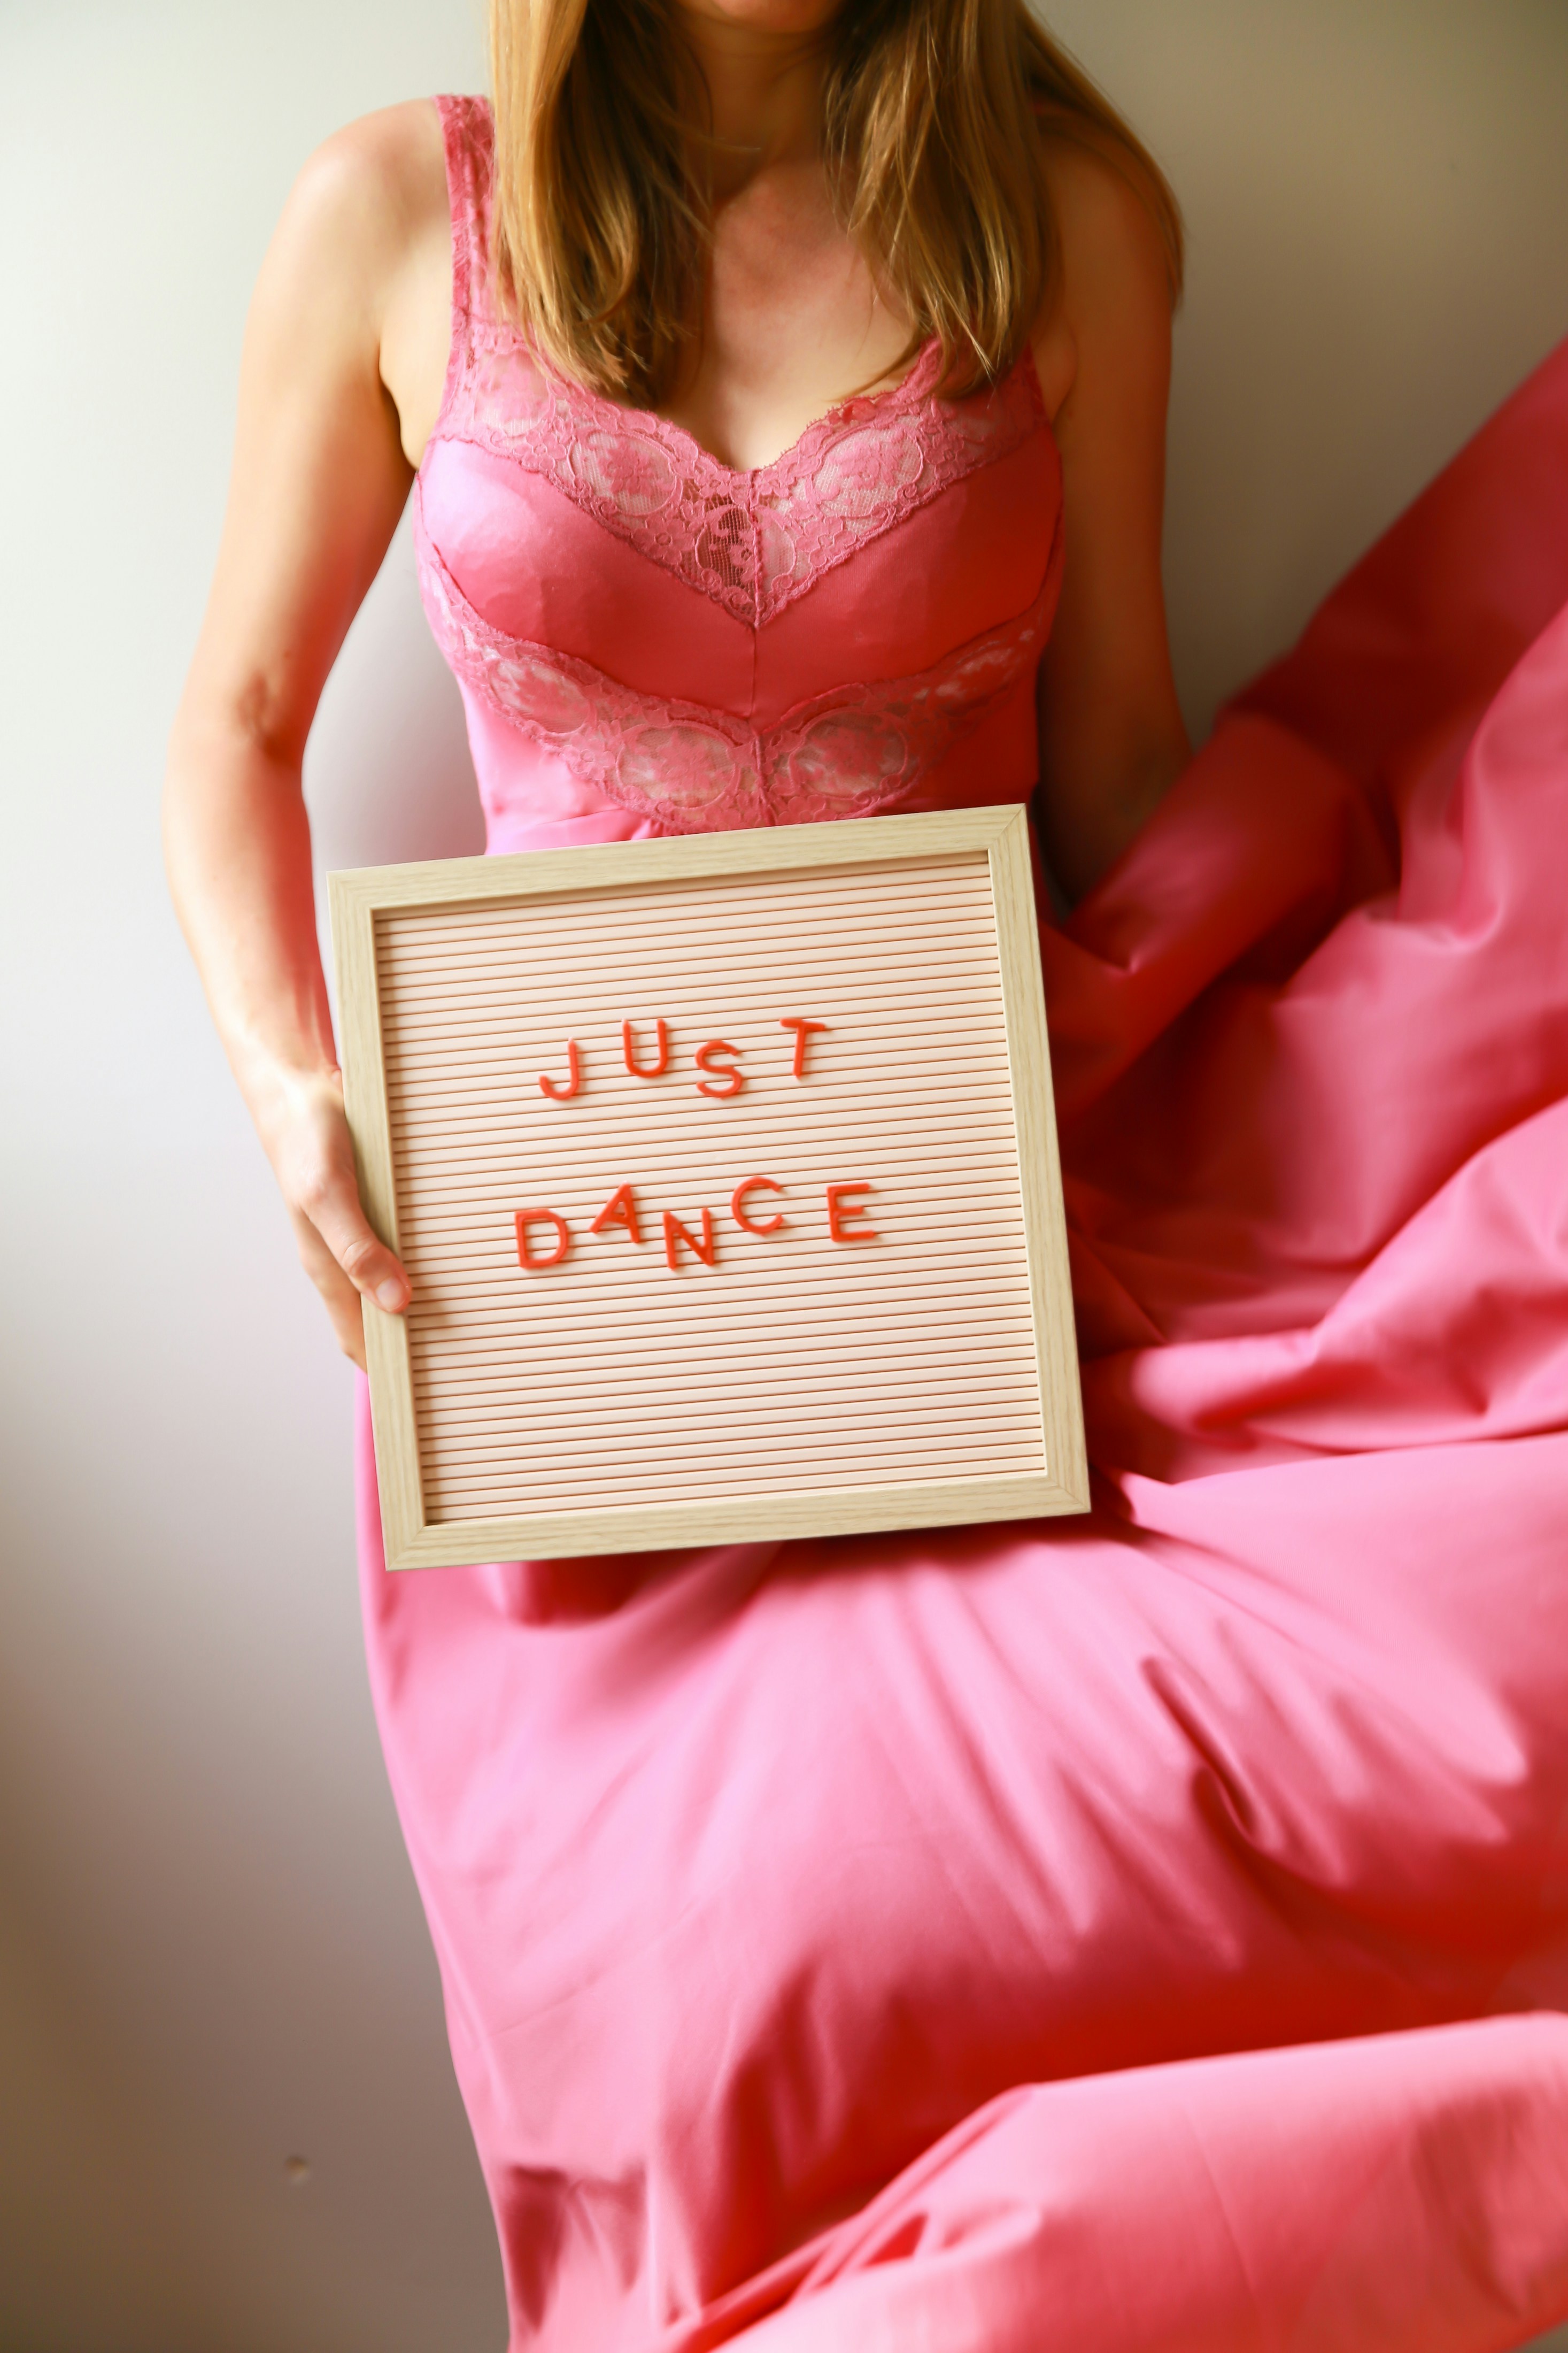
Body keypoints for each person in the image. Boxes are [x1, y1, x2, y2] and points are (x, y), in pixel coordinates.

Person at [165, 2, 1568, 2346]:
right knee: (711, 2030)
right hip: (558, 1327)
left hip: (960, 1250)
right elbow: (233, 726)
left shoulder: (1068, 219)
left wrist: (1337, 1044)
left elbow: (1115, 766)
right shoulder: (394, 210)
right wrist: (297, 1093)